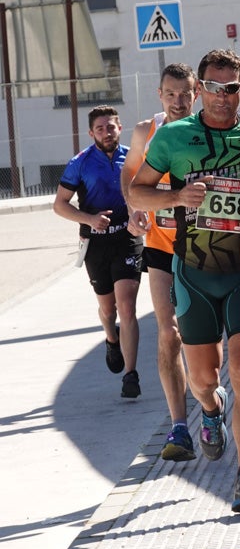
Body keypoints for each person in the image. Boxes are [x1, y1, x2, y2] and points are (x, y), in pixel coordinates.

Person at [127, 49, 240, 516]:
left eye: (232, 88)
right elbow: (136, 192)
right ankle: (211, 410)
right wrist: (176, 195)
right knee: (205, 380)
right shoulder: (173, 136)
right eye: (213, 87)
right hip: (193, 275)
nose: (222, 97)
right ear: (200, 90)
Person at [121, 63, 198, 460]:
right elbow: (131, 174)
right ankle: (179, 427)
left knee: (205, 340)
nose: (178, 101)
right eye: (170, 94)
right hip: (160, 245)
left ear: (196, 93)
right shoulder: (144, 131)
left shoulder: (207, 129)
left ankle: (210, 400)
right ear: (159, 95)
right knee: (168, 332)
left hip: (205, 247)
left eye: (185, 93)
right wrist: (133, 206)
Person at [54, 106, 144, 399]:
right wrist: (89, 219)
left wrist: (138, 214)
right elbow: (60, 204)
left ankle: (131, 375)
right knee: (109, 310)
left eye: (112, 127)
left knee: (127, 306)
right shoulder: (79, 163)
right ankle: (111, 337)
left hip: (127, 239)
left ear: (120, 128)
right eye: (101, 128)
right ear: (92, 133)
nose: (107, 132)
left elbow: (145, 192)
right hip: (96, 243)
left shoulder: (133, 157)